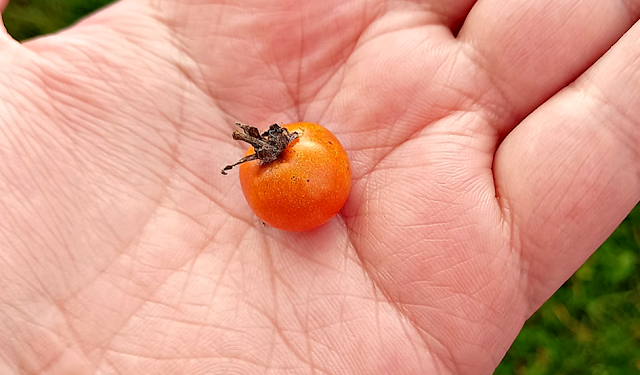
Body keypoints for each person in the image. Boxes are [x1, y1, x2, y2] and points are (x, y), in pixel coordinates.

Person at [0, 0, 638, 373]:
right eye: (267, 144)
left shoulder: (289, 164)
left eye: (271, 140)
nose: (267, 143)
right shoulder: (285, 174)